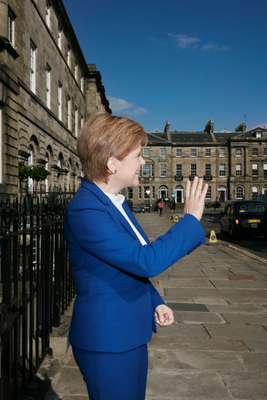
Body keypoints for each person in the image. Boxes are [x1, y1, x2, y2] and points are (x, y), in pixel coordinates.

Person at [64, 113, 208, 400]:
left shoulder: (114, 203)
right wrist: (191, 220)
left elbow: (127, 263)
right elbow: (146, 260)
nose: (143, 162)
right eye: (138, 155)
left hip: (127, 332)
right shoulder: (86, 210)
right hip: (108, 339)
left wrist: (154, 301)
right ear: (112, 163)